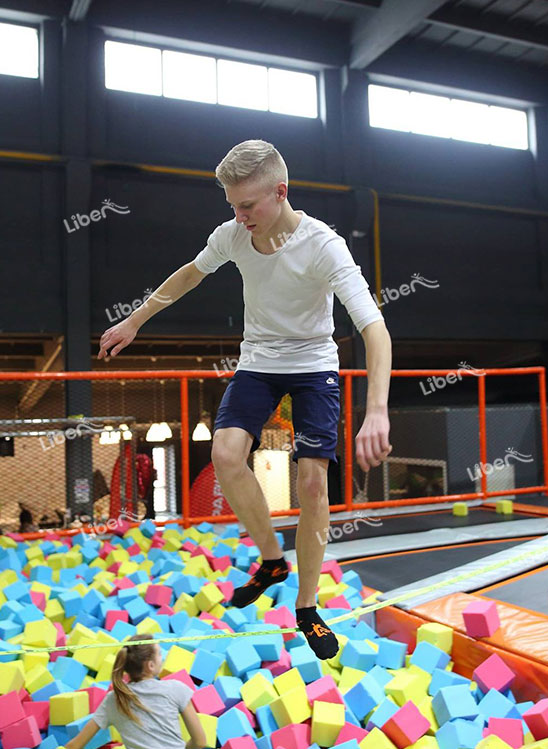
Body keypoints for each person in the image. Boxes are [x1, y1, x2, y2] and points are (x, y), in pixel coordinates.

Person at [97, 140, 392, 659]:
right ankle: (272, 559)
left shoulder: (324, 245)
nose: (238, 216)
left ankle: (306, 606)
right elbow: (190, 274)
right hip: (258, 360)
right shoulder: (233, 235)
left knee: (312, 480)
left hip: (312, 364)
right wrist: (134, 320)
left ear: (280, 193)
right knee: (226, 454)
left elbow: (374, 328)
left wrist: (377, 410)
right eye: (232, 206)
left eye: (248, 206)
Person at [64, 634, 208, 749]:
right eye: (159, 654)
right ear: (150, 665)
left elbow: (74, 746)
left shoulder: (114, 699)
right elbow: (200, 742)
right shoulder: (176, 689)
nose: (162, 657)